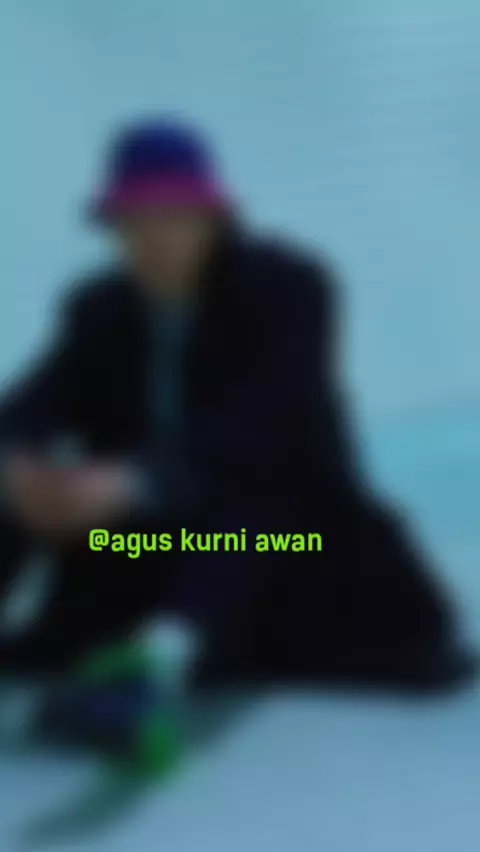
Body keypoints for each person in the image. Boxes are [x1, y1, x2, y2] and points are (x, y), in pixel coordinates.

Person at [0, 118, 475, 706]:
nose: (155, 240)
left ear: (212, 220)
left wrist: (134, 482)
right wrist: (23, 469)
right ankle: (141, 640)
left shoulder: (289, 290)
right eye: (135, 224)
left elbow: (262, 429)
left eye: (173, 219)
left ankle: (162, 655)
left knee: (246, 510)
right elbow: (35, 400)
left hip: (290, 543)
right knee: (26, 491)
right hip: (149, 546)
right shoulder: (100, 309)